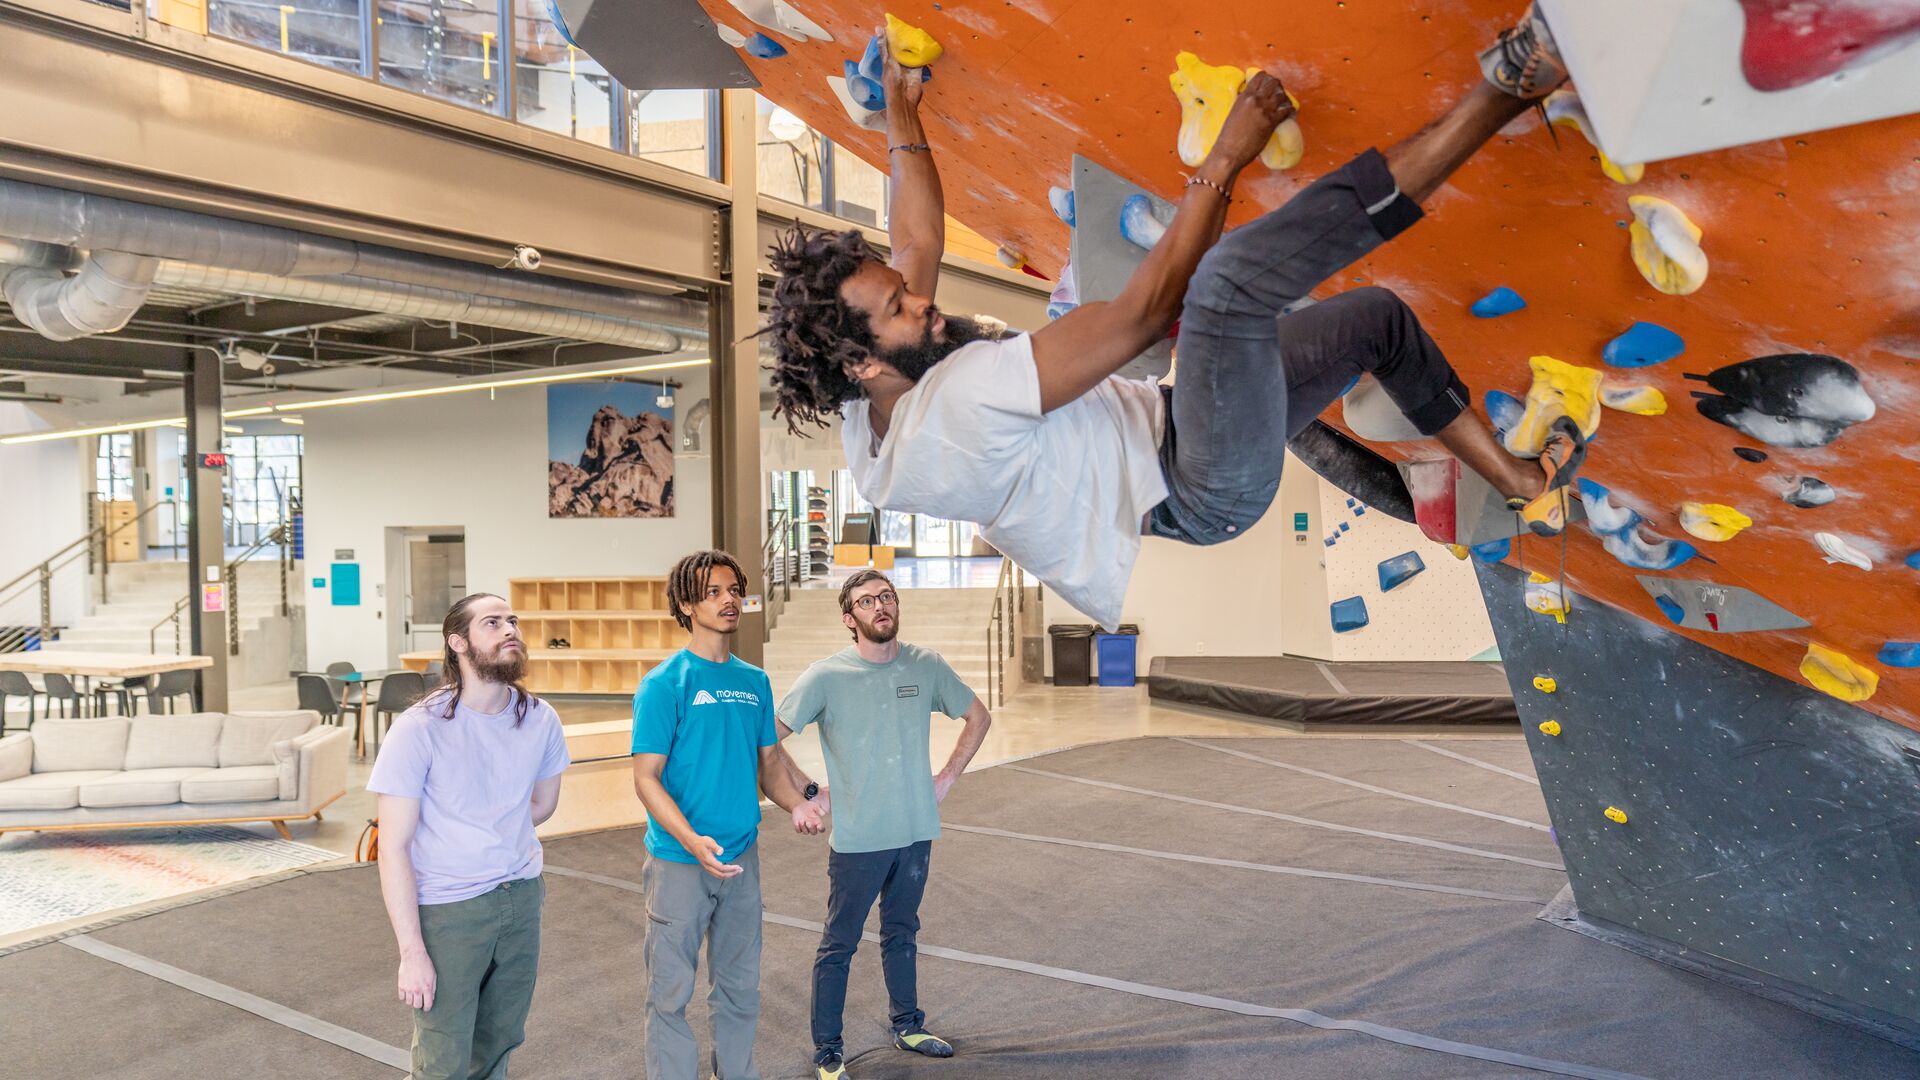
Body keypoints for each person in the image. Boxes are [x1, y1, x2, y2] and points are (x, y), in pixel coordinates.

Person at [760, 5, 1586, 632]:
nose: (921, 298)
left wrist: (902, 112)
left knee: (1374, 319)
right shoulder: (956, 412)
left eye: (903, 292)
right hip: (1196, 488)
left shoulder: (866, 391)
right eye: (900, 309)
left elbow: (915, 239)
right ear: (864, 361)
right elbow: (1142, 312)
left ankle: (1519, 480)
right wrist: (1227, 156)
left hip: (1170, 426)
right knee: (1224, 285)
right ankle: (1506, 88)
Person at [776, 570, 992, 1080]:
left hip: (916, 831)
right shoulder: (826, 677)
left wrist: (947, 776)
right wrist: (808, 791)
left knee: (902, 931)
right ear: (849, 618)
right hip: (859, 839)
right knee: (840, 943)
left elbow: (978, 717)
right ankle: (829, 1049)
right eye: (867, 600)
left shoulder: (926, 665)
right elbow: (767, 739)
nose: (881, 605)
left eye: (887, 596)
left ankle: (908, 1025)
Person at [631, 549, 827, 1080]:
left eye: (734, 590)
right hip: (679, 862)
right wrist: (692, 840)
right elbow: (645, 778)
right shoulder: (664, 684)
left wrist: (798, 804)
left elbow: (768, 768)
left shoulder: (755, 681)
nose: (728, 600)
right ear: (687, 604)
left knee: (739, 991)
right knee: (669, 995)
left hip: (742, 858)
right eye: (713, 591)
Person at [370, 592, 571, 1080]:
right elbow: (392, 848)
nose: (509, 630)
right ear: (457, 642)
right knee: (443, 1054)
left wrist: (487, 826)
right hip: (449, 909)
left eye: (512, 620)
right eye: (492, 622)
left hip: (521, 898)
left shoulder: (540, 718)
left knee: (501, 1039)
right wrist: (411, 952)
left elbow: (542, 805)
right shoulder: (419, 729)